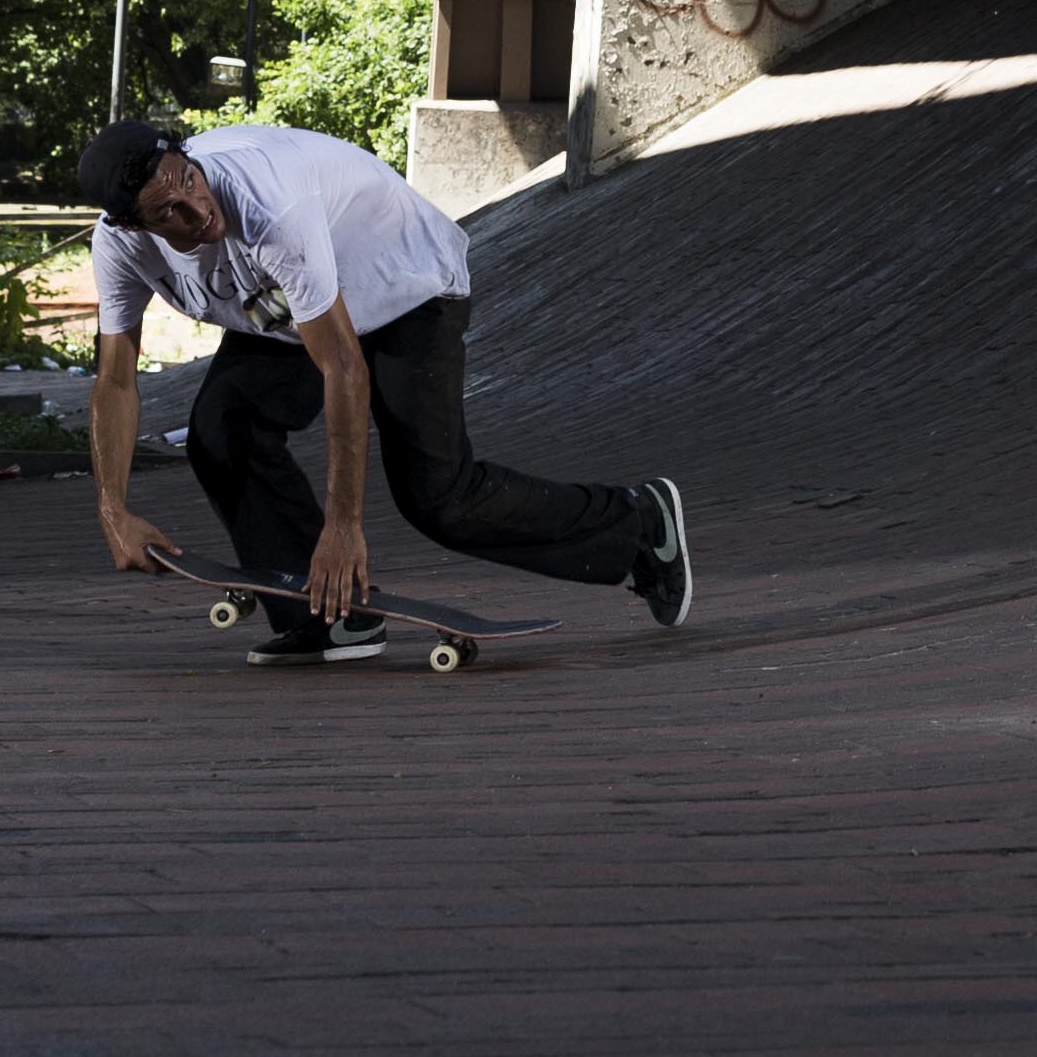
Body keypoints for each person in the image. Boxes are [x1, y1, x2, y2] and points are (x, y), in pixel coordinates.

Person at [77, 115, 689, 662]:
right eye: (167, 215)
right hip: (298, 312)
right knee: (222, 431)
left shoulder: (268, 202)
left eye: (188, 181)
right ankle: (330, 618)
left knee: (439, 496)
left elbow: (344, 368)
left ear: (188, 158)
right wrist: (113, 509)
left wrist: (343, 528)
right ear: (132, 226)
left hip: (405, 286)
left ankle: (638, 523)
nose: (195, 210)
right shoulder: (119, 248)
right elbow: (114, 380)